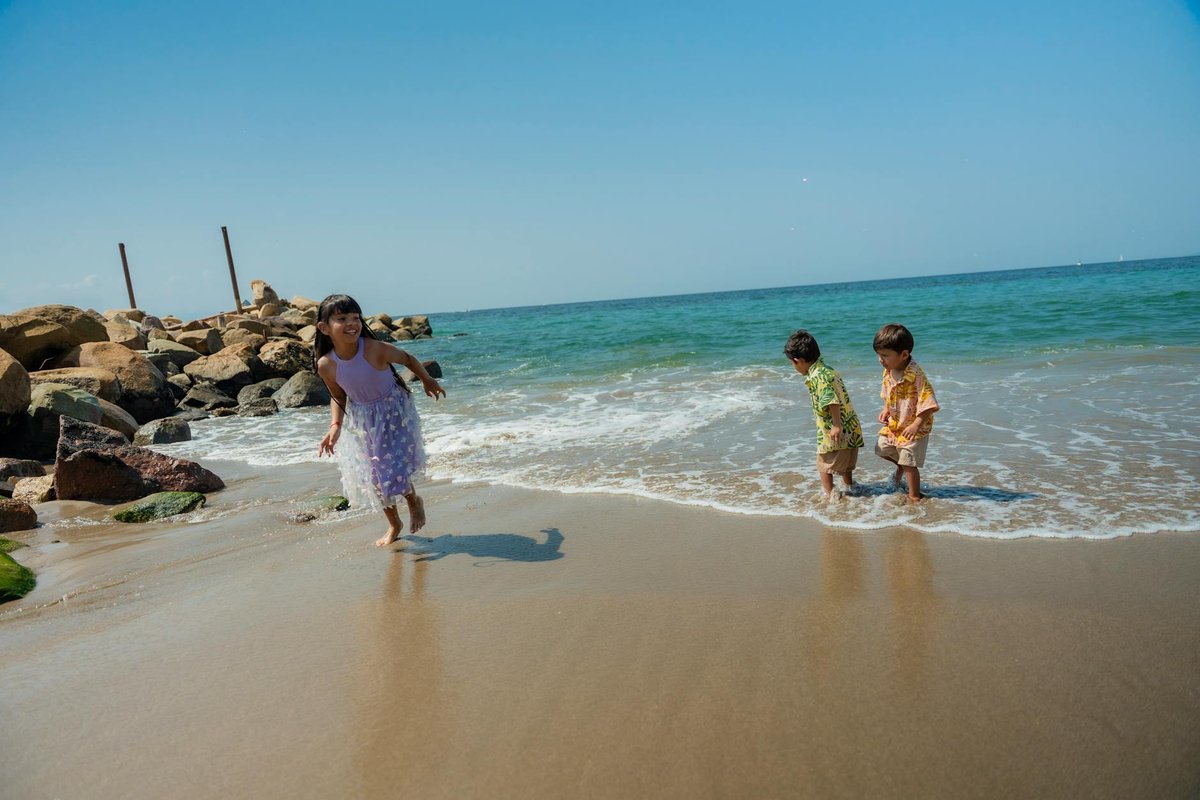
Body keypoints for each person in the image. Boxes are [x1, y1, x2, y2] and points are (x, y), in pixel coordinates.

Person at [314, 294, 446, 546]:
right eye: (342, 319)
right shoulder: (326, 364)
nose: (352, 323)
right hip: (364, 418)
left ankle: (413, 501)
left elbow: (407, 358)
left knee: (394, 467)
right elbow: (338, 395)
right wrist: (335, 426)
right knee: (373, 475)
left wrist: (428, 379)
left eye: (356, 317)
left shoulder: (373, 349)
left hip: (394, 411)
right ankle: (394, 523)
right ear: (324, 328)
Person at [784, 329, 864, 496]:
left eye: (792, 363)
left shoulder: (817, 376)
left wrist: (836, 425)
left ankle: (829, 495)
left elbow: (831, 400)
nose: (794, 367)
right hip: (850, 426)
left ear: (798, 361)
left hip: (833, 429)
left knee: (823, 465)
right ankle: (850, 488)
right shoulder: (828, 370)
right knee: (846, 464)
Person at [872, 323, 939, 503]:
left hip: (914, 427)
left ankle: (914, 496)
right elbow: (889, 392)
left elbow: (929, 403)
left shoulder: (916, 375)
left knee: (909, 462)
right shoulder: (889, 370)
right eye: (878, 355)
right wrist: (886, 408)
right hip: (896, 423)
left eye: (885, 355)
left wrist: (916, 424)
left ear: (904, 354)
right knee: (882, 447)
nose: (880, 359)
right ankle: (901, 468)